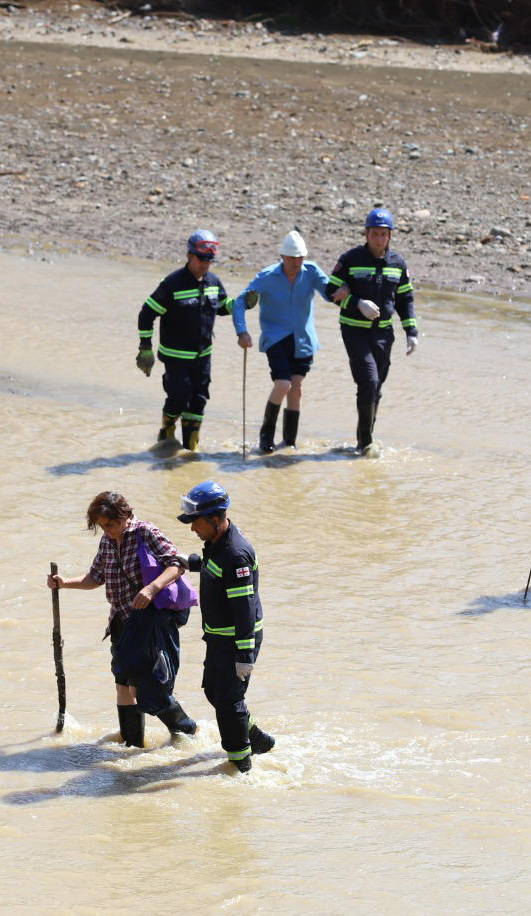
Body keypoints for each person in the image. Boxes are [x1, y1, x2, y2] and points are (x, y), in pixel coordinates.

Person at [47, 491, 198, 746]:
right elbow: (95, 577)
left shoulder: (146, 532)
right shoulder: (106, 542)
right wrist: (64, 583)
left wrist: (151, 589)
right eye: (102, 527)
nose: (107, 531)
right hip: (120, 619)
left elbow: (177, 564)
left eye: (111, 525)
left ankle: (186, 731)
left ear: (125, 516)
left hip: (149, 621)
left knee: (147, 687)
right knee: (123, 683)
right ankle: (131, 744)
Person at [178, 480, 275, 773]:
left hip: (236, 640)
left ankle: (240, 766)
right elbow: (211, 563)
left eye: (196, 523)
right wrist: (189, 561)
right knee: (213, 692)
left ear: (215, 519)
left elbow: (243, 608)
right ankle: (255, 739)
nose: (193, 528)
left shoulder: (235, 554)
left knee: (229, 700)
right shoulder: (217, 543)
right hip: (219, 637)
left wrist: (244, 656)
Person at [325, 208, 420, 456]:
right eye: (374, 234)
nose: (379, 239)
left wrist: (411, 331)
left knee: (375, 388)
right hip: (355, 331)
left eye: (383, 234)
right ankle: (366, 444)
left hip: (383, 335)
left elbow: (405, 298)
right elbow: (329, 292)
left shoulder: (398, 263)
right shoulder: (350, 259)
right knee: (369, 381)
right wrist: (356, 302)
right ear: (366, 234)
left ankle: (363, 440)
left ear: (390, 236)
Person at [231, 230, 332, 453]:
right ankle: (265, 438)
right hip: (276, 338)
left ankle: (289, 442)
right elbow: (240, 303)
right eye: (292, 257)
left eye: (301, 257)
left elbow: (330, 292)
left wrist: (347, 292)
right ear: (282, 257)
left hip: (304, 339)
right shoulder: (267, 277)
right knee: (283, 384)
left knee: (296, 388)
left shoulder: (312, 271)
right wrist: (242, 332)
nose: (297, 262)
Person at [137, 229, 235, 453]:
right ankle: (168, 428)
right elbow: (146, 313)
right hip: (175, 357)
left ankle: (190, 449)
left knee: (199, 401)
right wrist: (145, 348)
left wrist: (240, 304)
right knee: (179, 397)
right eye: (202, 259)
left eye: (210, 260)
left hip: (203, 356)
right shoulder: (173, 284)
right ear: (189, 255)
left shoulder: (213, 282)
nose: (206, 264)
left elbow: (221, 307)